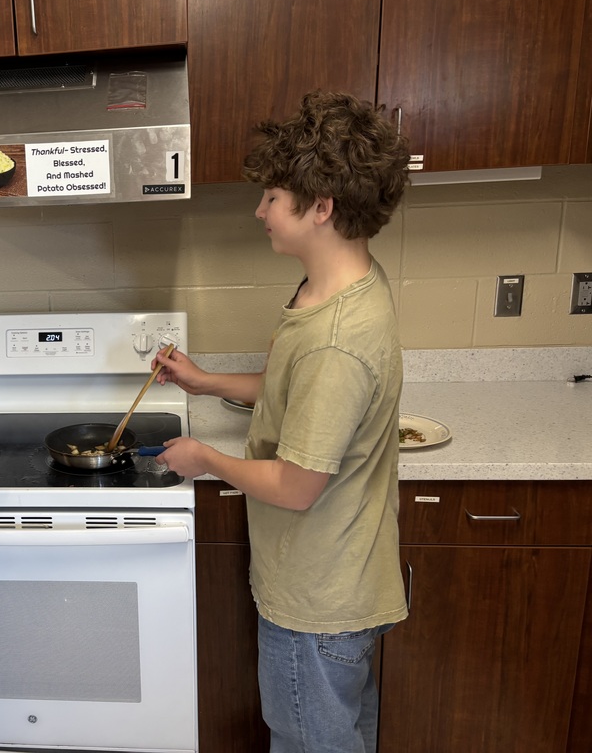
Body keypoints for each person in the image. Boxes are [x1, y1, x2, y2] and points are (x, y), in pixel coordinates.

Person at [152, 91, 410, 753]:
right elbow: (293, 392)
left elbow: (297, 485)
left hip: (318, 602)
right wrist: (205, 380)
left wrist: (205, 458)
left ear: (320, 208)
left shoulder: (337, 340)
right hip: (337, 583)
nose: (260, 210)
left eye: (272, 197)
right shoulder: (335, 291)